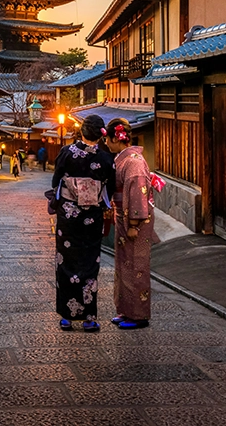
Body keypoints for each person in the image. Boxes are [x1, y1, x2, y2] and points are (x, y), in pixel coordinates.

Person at [49, 115, 116, 332]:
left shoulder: (66, 152)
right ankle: (89, 317)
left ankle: (67, 317)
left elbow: (56, 180)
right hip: (92, 217)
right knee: (89, 263)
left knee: (66, 261)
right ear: (101, 134)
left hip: (68, 216)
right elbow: (110, 188)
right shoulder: (106, 158)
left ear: (82, 131)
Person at [104, 118, 162, 329]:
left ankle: (138, 315)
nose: (106, 144)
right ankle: (126, 310)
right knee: (124, 264)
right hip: (123, 216)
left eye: (107, 140)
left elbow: (138, 194)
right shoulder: (124, 159)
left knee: (136, 265)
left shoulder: (134, 162)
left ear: (115, 138)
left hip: (134, 220)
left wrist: (134, 224)